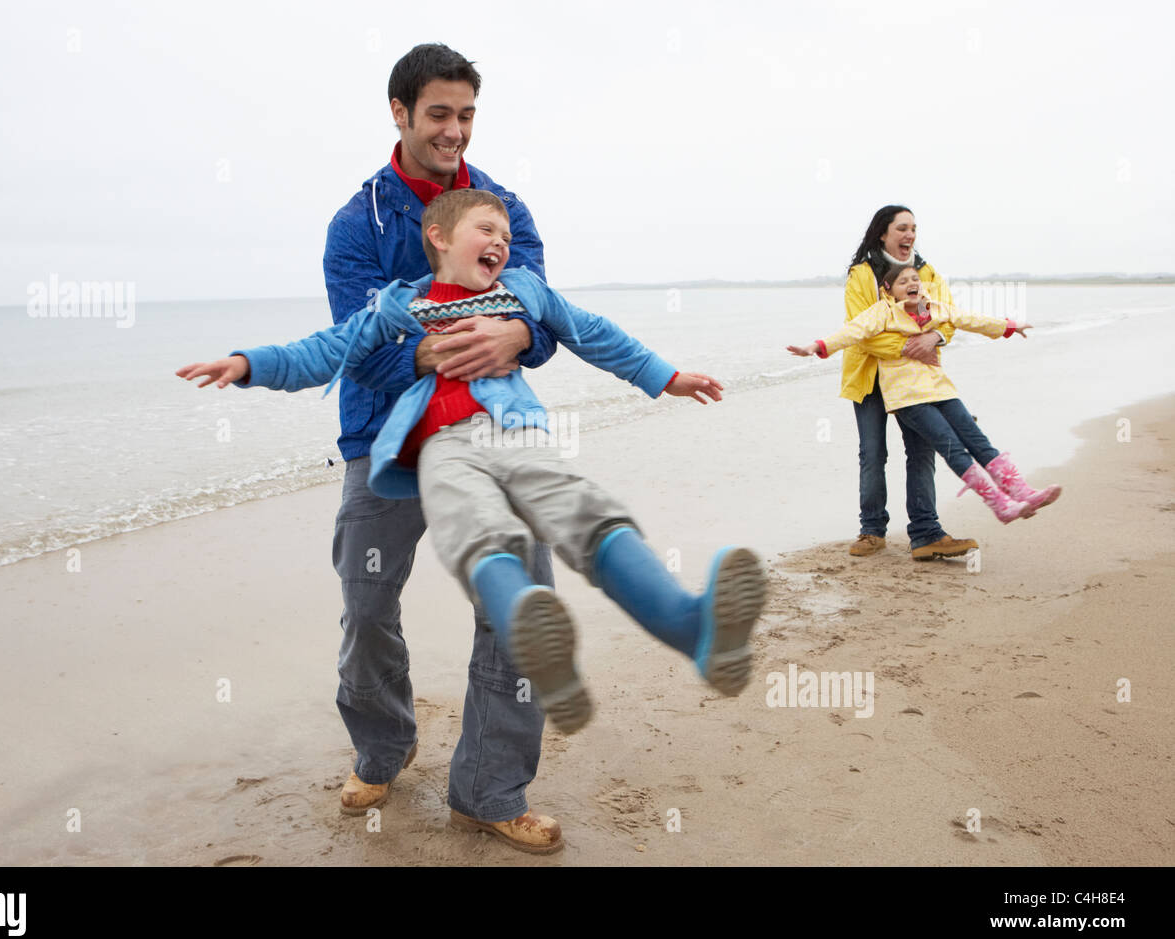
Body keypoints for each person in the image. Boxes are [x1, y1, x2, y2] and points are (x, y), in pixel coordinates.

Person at [178, 189, 768, 851]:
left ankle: (693, 630)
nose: (502, 241)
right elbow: (327, 349)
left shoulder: (523, 290)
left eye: (507, 235)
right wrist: (248, 364)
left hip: (517, 434)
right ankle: (491, 686)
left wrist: (667, 376)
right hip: (442, 448)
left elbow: (593, 332)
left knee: (590, 514)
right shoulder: (398, 304)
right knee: (473, 544)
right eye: (486, 230)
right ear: (436, 236)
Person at [322, 43, 562, 850]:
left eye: (465, 114)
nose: (454, 130)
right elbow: (358, 344)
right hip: (382, 443)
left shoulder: (505, 211)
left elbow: (541, 319)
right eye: (438, 114)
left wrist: (521, 330)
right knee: (367, 605)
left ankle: (490, 789)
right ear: (399, 112)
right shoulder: (357, 226)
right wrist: (433, 349)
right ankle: (382, 745)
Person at [789, 263, 1061, 522]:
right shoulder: (883, 312)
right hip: (907, 396)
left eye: (915, 279)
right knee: (952, 447)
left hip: (939, 388)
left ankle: (1022, 492)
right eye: (903, 281)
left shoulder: (934, 308)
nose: (911, 284)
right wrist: (817, 346)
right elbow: (854, 332)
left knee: (977, 439)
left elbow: (969, 319)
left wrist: (1009, 327)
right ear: (889, 289)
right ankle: (1000, 505)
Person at [843, 205, 979, 560]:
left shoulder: (927, 271)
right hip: (870, 376)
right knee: (873, 454)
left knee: (921, 453)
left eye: (914, 228)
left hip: (914, 380)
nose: (910, 235)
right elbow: (861, 332)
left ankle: (926, 533)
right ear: (883, 233)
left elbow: (946, 317)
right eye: (902, 228)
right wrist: (908, 345)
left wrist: (934, 339)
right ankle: (871, 531)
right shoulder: (861, 274)